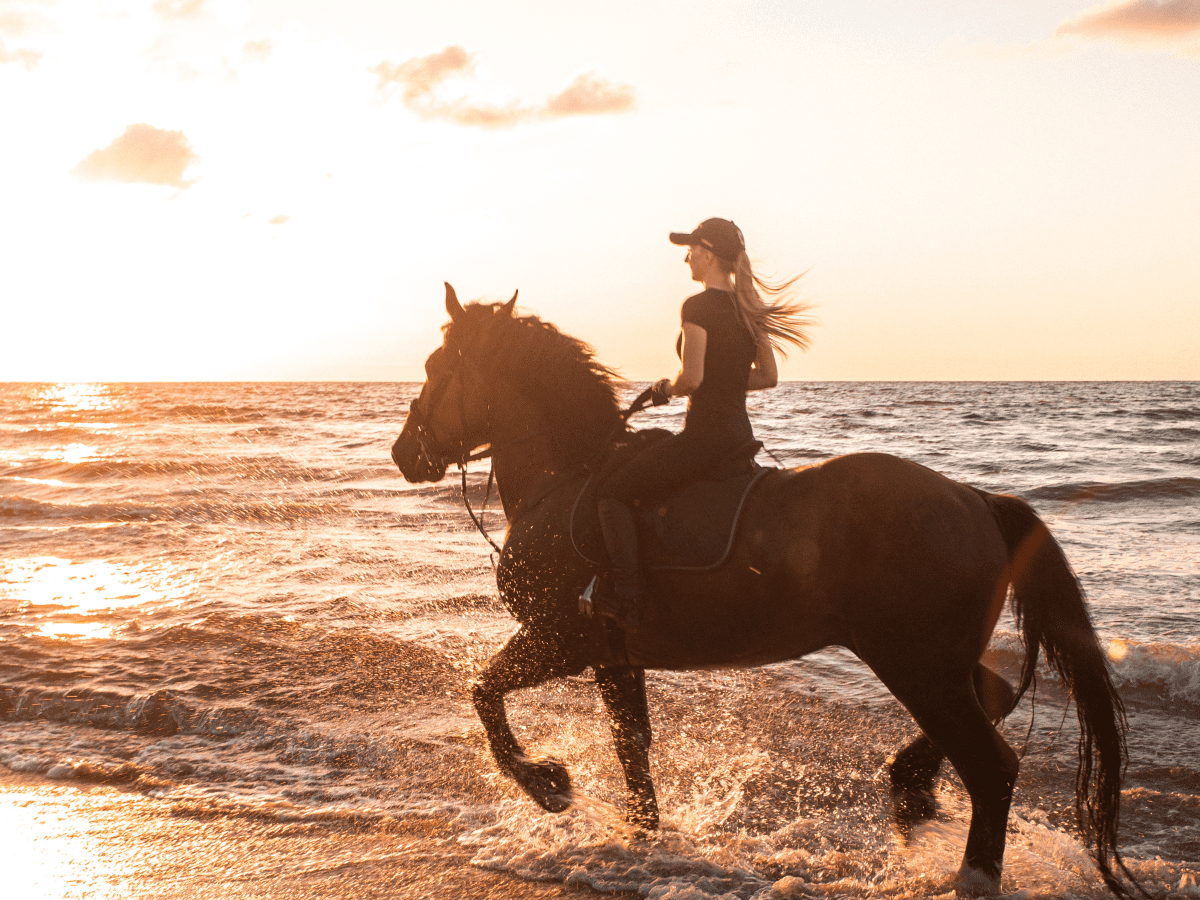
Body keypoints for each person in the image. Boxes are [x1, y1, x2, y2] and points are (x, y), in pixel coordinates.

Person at [594, 217, 811, 630]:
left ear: (708, 255)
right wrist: (724, 380)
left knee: (612, 494)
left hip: (705, 440)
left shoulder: (696, 307)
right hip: (740, 439)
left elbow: (691, 379)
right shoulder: (750, 309)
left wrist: (665, 388)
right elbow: (768, 376)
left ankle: (628, 603)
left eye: (690, 251)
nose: (686, 259)